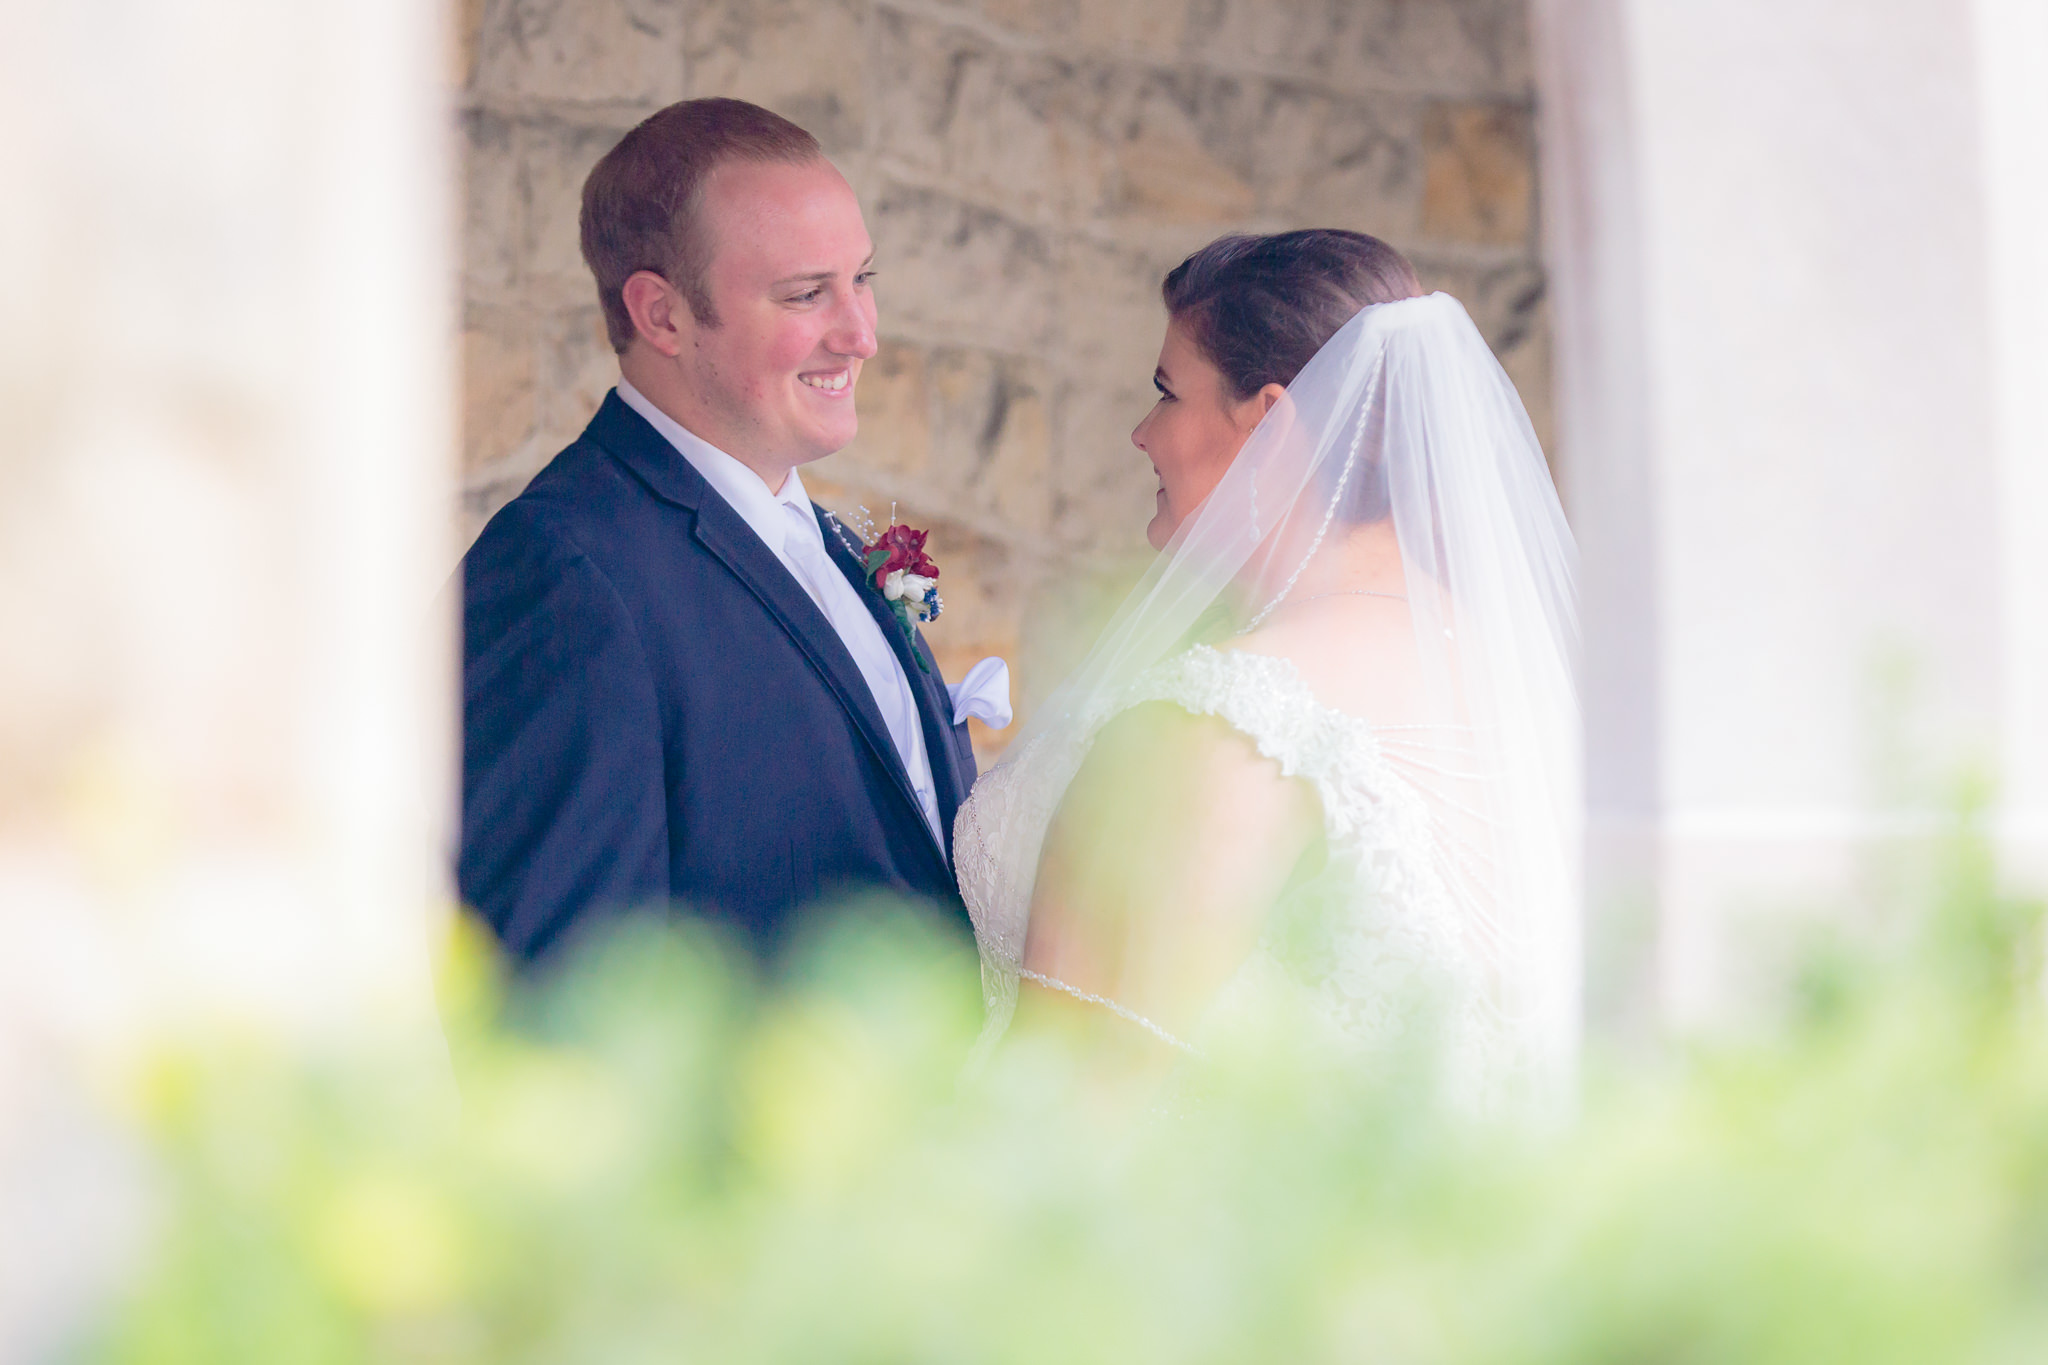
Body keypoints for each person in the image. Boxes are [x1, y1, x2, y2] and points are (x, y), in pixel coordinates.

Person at [954, 231, 1580, 1109]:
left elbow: (1074, 1102)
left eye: (1169, 392)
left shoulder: (1229, 717)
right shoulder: (1495, 668)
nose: (1143, 433)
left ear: (1273, 420)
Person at [457, 98, 1006, 963]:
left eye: (861, 278)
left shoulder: (820, 535)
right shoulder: (564, 573)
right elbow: (568, 1005)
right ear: (663, 315)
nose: (861, 334)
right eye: (805, 294)